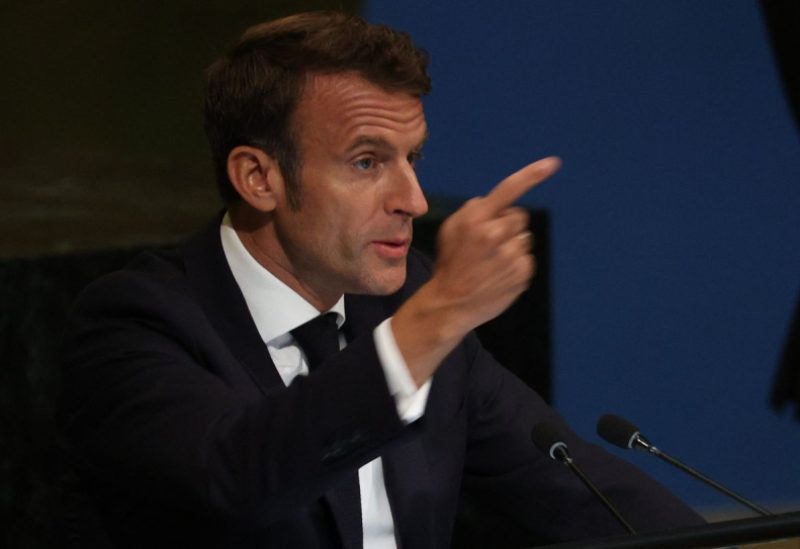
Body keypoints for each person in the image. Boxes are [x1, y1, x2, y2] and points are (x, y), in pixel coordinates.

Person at [60, 11, 704, 548]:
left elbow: (579, 492)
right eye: (367, 161)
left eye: (412, 158)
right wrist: (437, 317)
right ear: (260, 178)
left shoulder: (408, 303)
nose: (414, 200)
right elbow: (239, 479)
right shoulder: (138, 325)